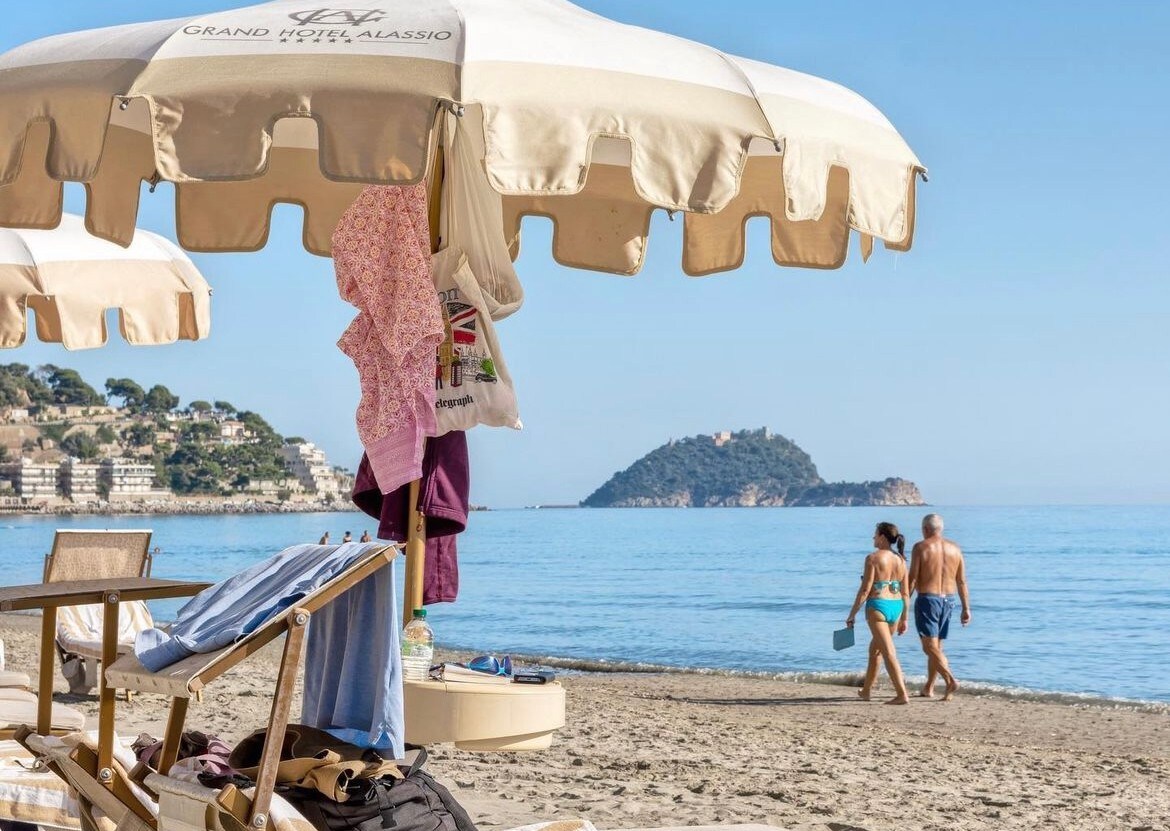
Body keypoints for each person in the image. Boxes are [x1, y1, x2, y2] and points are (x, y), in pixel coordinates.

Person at [907, 513, 971, 701]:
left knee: (929, 647)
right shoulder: (955, 549)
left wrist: (903, 604)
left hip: (928, 599)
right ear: (940, 529)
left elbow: (912, 580)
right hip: (949, 600)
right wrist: (966, 607)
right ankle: (929, 687)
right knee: (937, 647)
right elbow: (961, 581)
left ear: (925, 529)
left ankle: (950, 680)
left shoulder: (920, 547)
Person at [846, 521, 911, 705]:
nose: (873, 537)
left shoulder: (873, 558)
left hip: (878, 607)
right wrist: (905, 618)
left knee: (888, 652)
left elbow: (865, 591)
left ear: (882, 536)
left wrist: (851, 615)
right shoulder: (901, 560)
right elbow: (906, 593)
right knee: (875, 650)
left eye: (875, 534)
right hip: (896, 606)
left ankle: (901, 694)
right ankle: (866, 691)